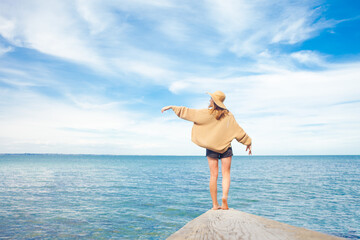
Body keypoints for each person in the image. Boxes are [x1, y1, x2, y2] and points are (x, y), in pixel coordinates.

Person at [161, 91, 252, 210]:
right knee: (226, 174)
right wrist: (248, 142)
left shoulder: (207, 113)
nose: (209, 101)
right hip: (226, 148)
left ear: (214, 101)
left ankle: (215, 204)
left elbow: (188, 112)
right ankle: (224, 198)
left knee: (213, 175)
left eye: (211, 99)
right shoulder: (229, 116)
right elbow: (238, 131)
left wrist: (172, 107)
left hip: (211, 149)